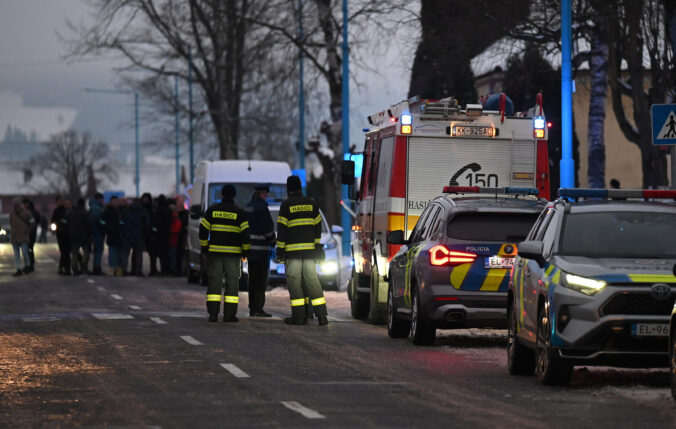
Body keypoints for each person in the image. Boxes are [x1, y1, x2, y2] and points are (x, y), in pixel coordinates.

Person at [276, 175, 328, 326]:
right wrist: (317, 246)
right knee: (313, 282)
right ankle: (322, 316)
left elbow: (282, 229)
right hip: (310, 252)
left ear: (288, 189)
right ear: (300, 187)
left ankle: (298, 317)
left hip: (293, 254)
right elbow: (318, 226)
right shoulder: (311, 204)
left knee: (295, 283)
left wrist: (280, 250)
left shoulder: (286, 206)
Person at [199, 184, 250, 322]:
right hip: (233, 256)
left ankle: (213, 314)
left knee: (214, 283)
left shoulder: (212, 211)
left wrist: (205, 249)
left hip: (215, 254)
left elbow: (203, 231)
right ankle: (229, 315)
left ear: (222, 195)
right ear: (234, 196)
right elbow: (245, 235)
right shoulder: (240, 213)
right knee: (232, 285)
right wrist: (245, 253)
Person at [246, 183, 276, 317]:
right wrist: (273, 242)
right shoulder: (262, 208)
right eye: (265, 194)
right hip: (261, 251)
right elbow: (268, 228)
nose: (266, 196)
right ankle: (259, 308)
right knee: (260, 281)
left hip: (250, 251)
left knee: (252, 281)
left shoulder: (248, 207)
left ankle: (252, 307)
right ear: (261, 193)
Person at [121, 198, 150, 276]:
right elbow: (147, 224)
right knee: (138, 254)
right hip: (139, 235)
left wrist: (123, 232)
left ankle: (123, 270)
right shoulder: (142, 211)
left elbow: (121, 222)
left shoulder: (126, 211)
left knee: (125, 253)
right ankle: (138, 271)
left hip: (127, 235)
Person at [9, 197, 34, 276]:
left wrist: (28, 229)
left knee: (25, 252)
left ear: (19, 204)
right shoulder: (12, 213)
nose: (14, 206)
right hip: (15, 236)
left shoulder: (27, 212)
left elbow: (32, 222)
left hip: (24, 236)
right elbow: (11, 223)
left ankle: (27, 265)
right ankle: (19, 269)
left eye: (15, 204)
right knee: (16, 254)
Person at [67, 198, 92, 275]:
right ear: (84, 204)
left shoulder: (71, 212)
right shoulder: (86, 213)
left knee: (74, 253)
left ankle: (74, 268)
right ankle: (84, 266)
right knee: (86, 252)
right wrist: (89, 235)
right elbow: (89, 225)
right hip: (84, 236)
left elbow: (66, 223)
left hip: (73, 236)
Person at [102, 196, 124, 276]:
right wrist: (107, 229)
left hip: (120, 236)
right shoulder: (107, 211)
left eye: (116, 201)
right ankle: (112, 270)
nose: (115, 203)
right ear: (110, 202)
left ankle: (119, 270)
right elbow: (102, 221)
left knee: (120, 255)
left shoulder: (121, 211)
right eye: (113, 201)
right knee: (112, 254)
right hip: (111, 236)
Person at [51, 196, 71, 275]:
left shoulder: (70, 210)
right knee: (64, 252)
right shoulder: (57, 211)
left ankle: (65, 268)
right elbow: (53, 220)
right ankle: (65, 268)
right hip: (61, 233)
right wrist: (55, 228)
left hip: (69, 233)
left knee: (67, 252)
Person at [141, 192, 159, 275]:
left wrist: (153, 232)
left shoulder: (151, 210)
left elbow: (153, 223)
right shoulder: (143, 209)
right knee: (139, 253)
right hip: (143, 234)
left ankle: (153, 269)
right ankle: (138, 269)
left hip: (149, 235)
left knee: (152, 254)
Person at [154, 194, 172, 275]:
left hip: (160, 235)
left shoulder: (158, 210)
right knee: (167, 254)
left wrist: (154, 232)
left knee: (161, 254)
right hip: (168, 234)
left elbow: (157, 224)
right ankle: (167, 270)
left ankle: (163, 270)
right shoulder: (168, 210)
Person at [89, 193, 106, 275]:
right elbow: (97, 220)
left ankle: (96, 267)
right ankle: (97, 268)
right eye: (102, 199)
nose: (103, 201)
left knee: (97, 251)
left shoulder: (94, 206)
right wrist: (104, 224)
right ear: (99, 199)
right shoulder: (96, 208)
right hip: (97, 232)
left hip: (95, 232)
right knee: (98, 251)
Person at [23, 198, 40, 272]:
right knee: (29, 250)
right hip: (31, 233)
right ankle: (30, 265)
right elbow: (38, 221)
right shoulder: (34, 211)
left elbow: (32, 221)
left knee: (28, 250)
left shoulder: (29, 212)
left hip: (29, 233)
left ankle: (29, 265)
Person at [168, 203, 182, 275]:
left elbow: (175, 230)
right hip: (174, 240)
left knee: (172, 256)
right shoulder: (176, 217)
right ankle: (173, 270)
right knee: (173, 256)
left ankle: (172, 270)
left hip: (172, 240)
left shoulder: (173, 218)